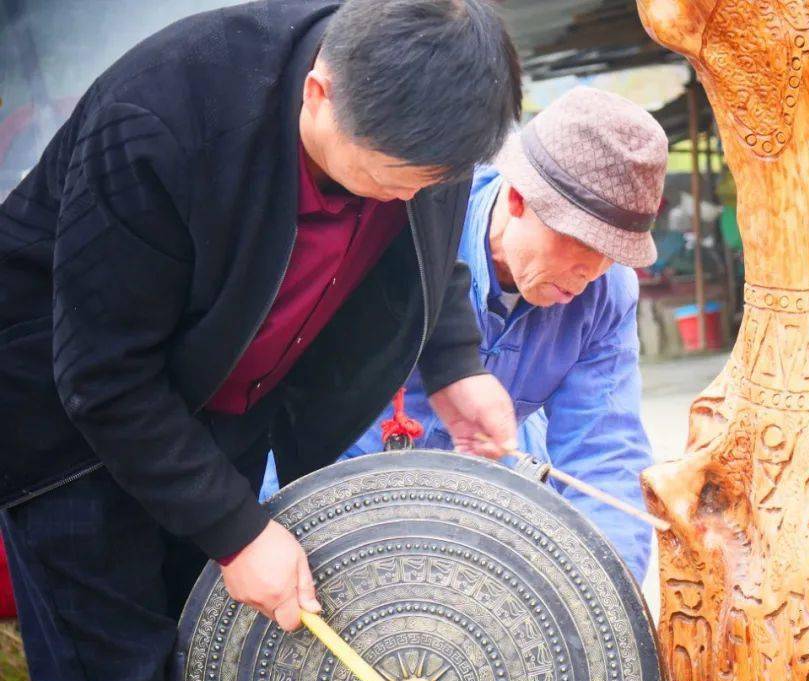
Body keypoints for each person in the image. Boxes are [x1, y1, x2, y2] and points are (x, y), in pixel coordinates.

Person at [0, 1, 521, 681]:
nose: (401, 199)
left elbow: (431, 238)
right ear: (318, 93)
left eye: (425, 183)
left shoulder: (419, 133)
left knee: (204, 667)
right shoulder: (163, 121)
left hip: (223, 395)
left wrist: (455, 364)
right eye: (387, 176)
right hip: (66, 416)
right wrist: (238, 533)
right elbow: (101, 376)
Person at [264, 87, 667, 581]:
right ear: (519, 197)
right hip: (347, 481)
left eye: (614, 251)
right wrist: (269, 523)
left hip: (495, 501)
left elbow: (603, 452)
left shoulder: (607, 292)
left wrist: (610, 598)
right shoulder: (409, 216)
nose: (593, 269)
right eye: (582, 241)